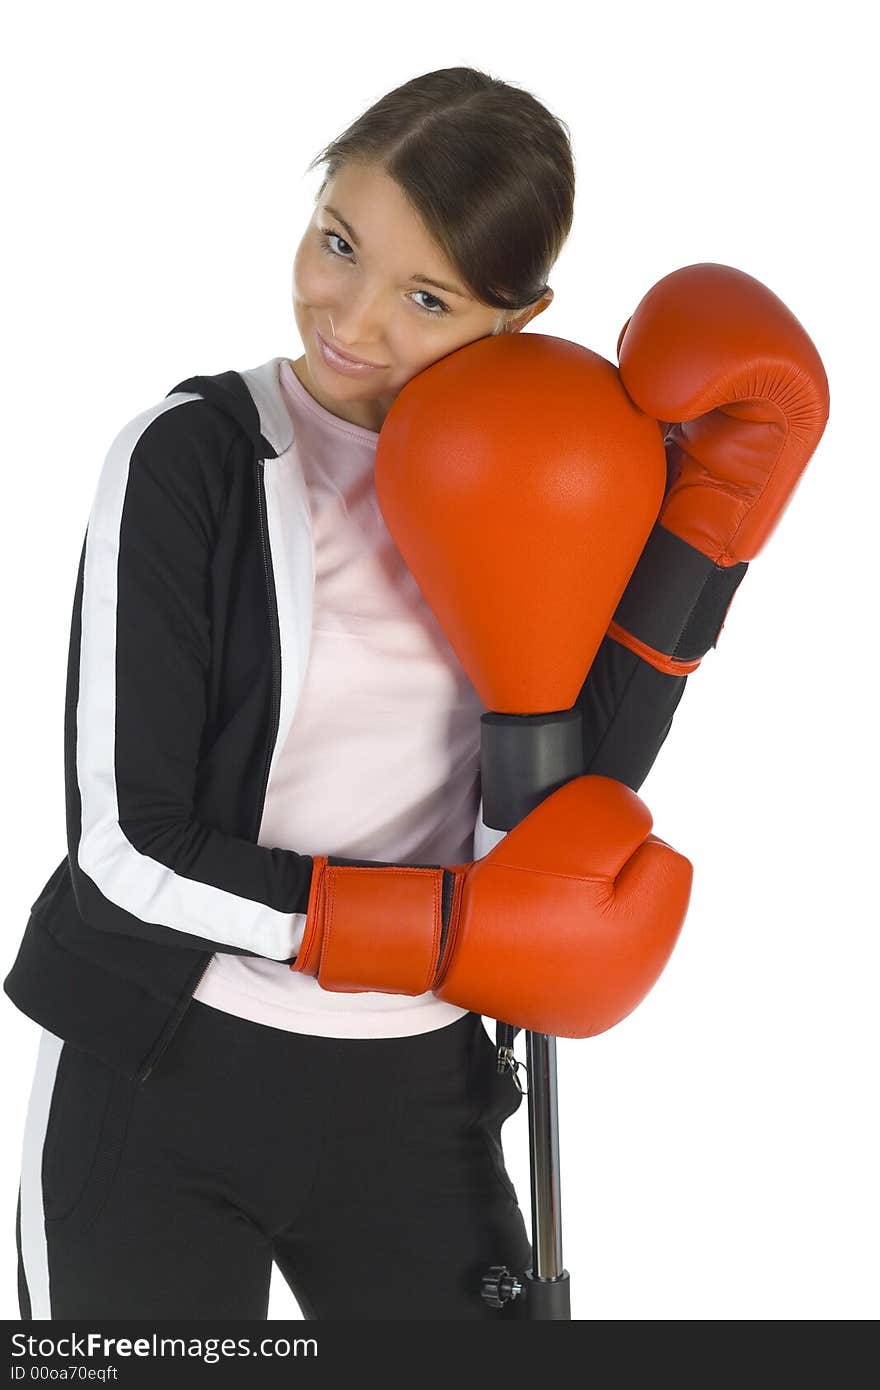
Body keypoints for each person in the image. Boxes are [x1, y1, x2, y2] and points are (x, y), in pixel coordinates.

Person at [5, 66, 578, 1321]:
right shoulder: (192, 458)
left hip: (419, 1099)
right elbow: (125, 843)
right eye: (338, 244)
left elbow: (556, 796)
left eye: (425, 297)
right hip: (164, 1072)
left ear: (513, 319)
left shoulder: (545, 491)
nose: (355, 320)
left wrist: (701, 558)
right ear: (316, 200)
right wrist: (428, 931)